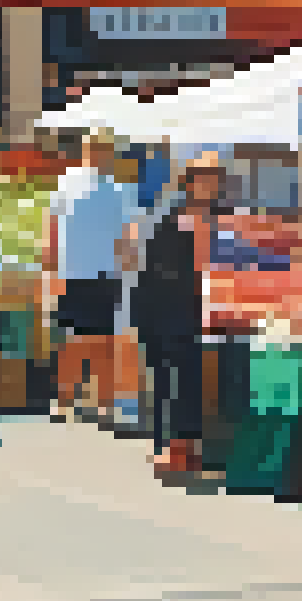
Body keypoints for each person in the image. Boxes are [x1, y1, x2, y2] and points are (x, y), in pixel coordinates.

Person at [124, 150, 222, 477]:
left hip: (196, 309)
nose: (208, 185)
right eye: (202, 179)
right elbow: (155, 267)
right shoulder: (173, 218)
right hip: (167, 308)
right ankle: (170, 446)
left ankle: (183, 447)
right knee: (169, 378)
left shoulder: (219, 218)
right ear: (190, 183)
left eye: (213, 179)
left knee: (188, 378)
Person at [47, 132, 138, 423]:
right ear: (85, 150)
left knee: (104, 343)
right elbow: (53, 227)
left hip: (106, 273)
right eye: (94, 148)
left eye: (104, 149)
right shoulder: (65, 182)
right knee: (71, 341)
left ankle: (104, 404)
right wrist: (51, 269)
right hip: (71, 273)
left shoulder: (121, 190)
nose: (99, 154)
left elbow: (127, 235)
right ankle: (63, 402)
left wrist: (129, 268)